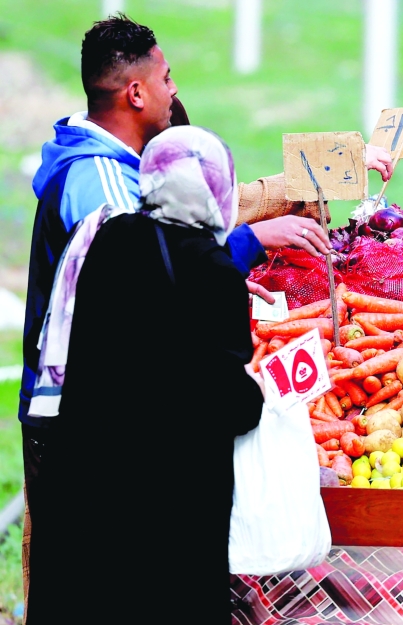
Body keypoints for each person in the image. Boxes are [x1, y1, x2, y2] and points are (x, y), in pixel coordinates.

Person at [19, 13, 391, 599]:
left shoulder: (116, 170)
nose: (174, 90)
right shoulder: (103, 186)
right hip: (88, 433)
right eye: (166, 78)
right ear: (136, 91)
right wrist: (235, 255)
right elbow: (151, 292)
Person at [26, 126, 265, 623]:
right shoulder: (215, 271)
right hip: (167, 510)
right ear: (218, 194)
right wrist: (260, 395)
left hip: (86, 489)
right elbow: (231, 402)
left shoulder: (109, 239)